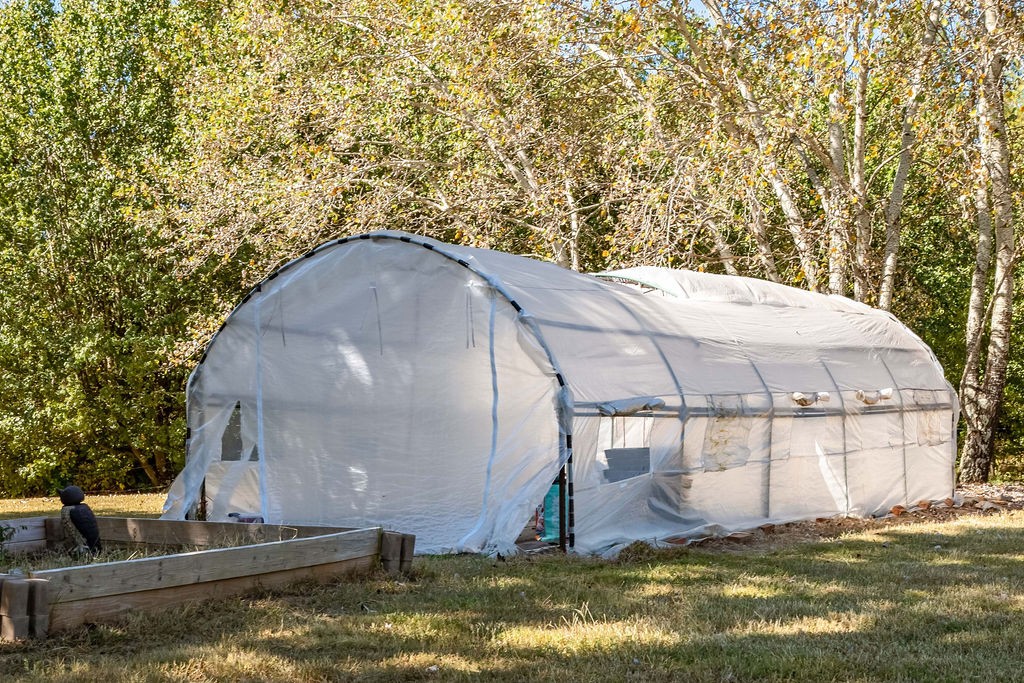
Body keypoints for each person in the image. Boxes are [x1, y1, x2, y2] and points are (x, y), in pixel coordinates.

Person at [58, 485, 102, 555]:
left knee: (87, 549)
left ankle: (86, 551)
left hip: (86, 543)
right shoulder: (84, 507)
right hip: (86, 542)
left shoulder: (71, 510)